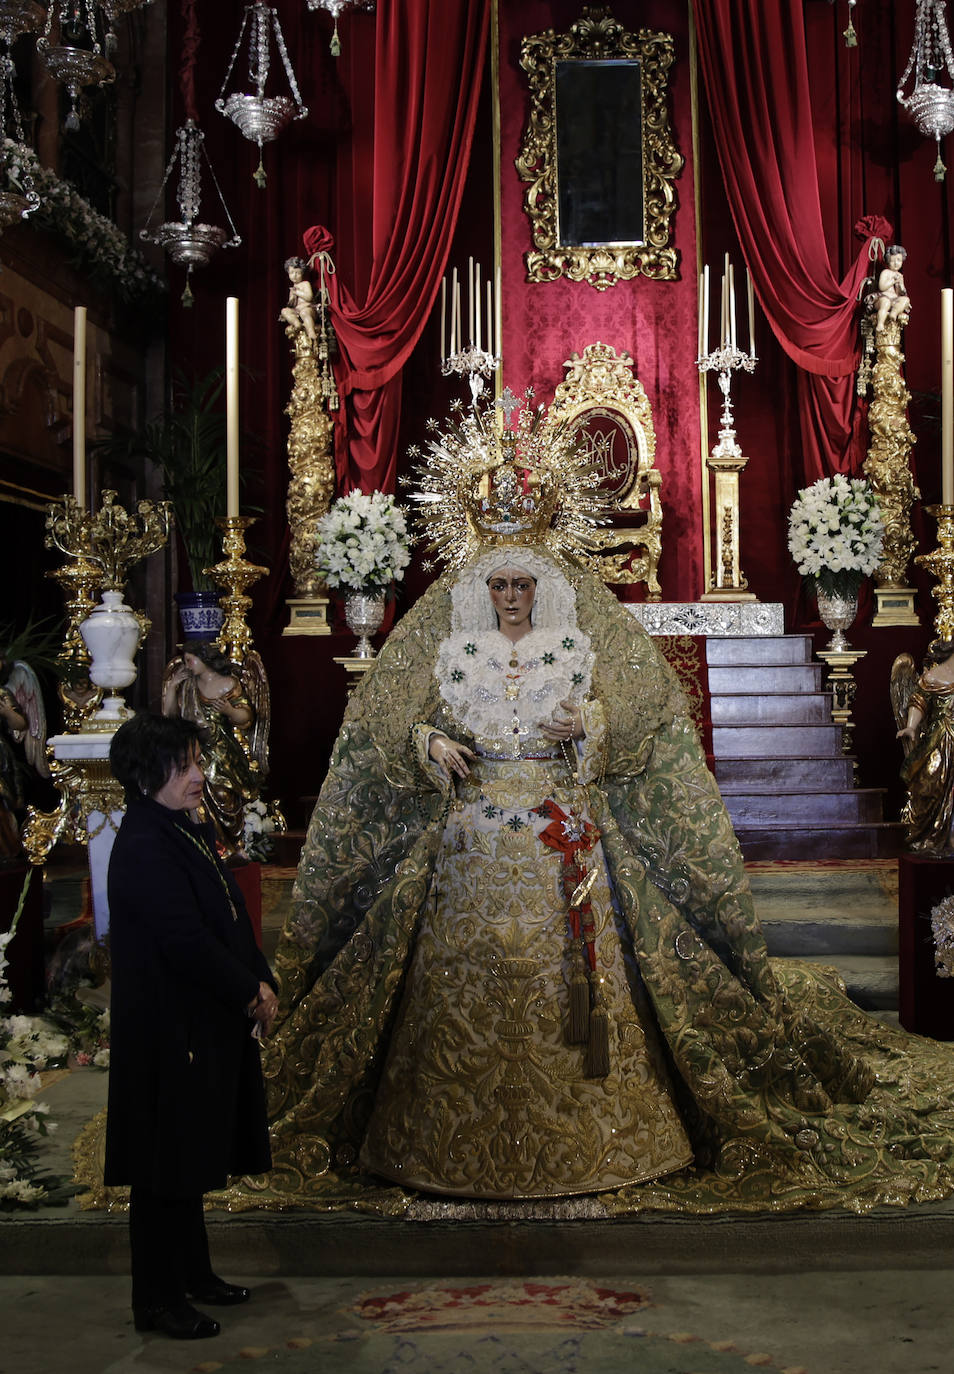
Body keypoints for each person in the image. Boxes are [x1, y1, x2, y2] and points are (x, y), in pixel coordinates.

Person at [253, 396, 954, 1214]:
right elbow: (396, 721)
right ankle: (436, 1126)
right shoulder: (451, 642)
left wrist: (589, 723)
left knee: (582, 968)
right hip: (470, 830)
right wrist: (431, 742)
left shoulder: (578, 639)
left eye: (522, 583)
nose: (511, 596)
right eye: (499, 583)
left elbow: (642, 713)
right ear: (483, 583)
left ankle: (607, 1125)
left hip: (563, 823)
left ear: (541, 583)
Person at [105, 712, 277, 1339]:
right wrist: (248, 991)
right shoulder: (144, 844)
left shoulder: (181, 827)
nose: (199, 775)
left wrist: (261, 977)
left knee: (189, 1152)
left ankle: (194, 1274)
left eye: (197, 762)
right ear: (146, 776)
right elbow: (185, 940)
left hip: (200, 1020)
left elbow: (229, 916)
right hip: (166, 1028)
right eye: (184, 766)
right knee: (163, 1166)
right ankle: (156, 1301)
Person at [161, 641, 266, 857]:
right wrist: (171, 688)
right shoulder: (187, 686)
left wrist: (229, 710)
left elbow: (247, 717)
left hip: (221, 754)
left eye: (190, 660)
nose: (187, 666)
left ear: (204, 659)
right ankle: (207, 847)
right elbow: (170, 717)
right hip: (194, 753)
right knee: (194, 798)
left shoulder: (228, 684)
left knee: (223, 794)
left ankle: (230, 846)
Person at [893, 641, 954, 853]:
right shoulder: (933, 678)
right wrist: (911, 727)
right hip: (940, 739)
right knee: (930, 780)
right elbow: (919, 701)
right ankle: (932, 834)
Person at [279, 256, 317, 345]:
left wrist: (297, 292)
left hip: (307, 308)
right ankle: (297, 323)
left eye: (297, 273)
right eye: (292, 272)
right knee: (284, 311)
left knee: (304, 313)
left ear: (302, 273)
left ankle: (311, 332)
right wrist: (292, 299)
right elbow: (292, 305)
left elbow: (309, 297)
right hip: (297, 311)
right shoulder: (293, 289)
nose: (294, 276)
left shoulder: (305, 284)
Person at [872, 245, 910, 333]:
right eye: (893, 261)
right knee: (885, 303)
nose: (896, 263)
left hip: (894, 299)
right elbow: (882, 287)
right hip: (883, 298)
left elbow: (899, 293)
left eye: (899, 260)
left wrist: (901, 286)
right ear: (888, 261)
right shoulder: (885, 272)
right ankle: (880, 324)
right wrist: (893, 281)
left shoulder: (900, 275)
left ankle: (894, 312)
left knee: (905, 300)